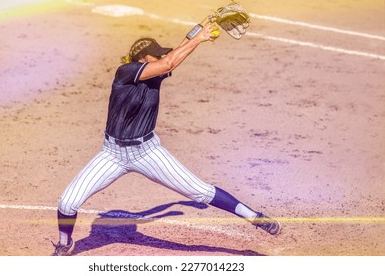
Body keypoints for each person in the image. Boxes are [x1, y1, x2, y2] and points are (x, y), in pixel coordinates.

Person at [52, 18, 281, 256]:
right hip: (112, 155)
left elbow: (176, 52)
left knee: (199, 191)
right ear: (142, 59)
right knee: (67, 202)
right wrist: (201, 38)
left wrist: (207, 21)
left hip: (148, 152)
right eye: (155, 55)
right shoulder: (125, 72)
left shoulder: (154, 73)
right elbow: (170, 61)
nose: (161, 58)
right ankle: (64, 243)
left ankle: (255, 217)